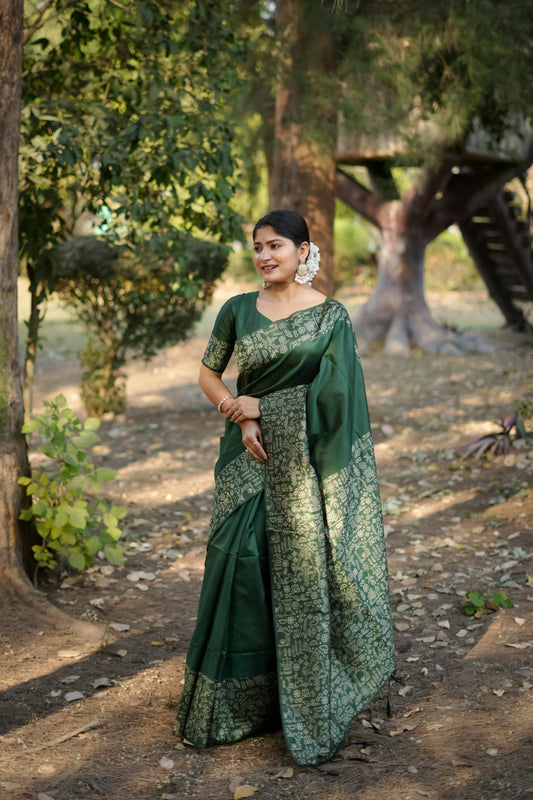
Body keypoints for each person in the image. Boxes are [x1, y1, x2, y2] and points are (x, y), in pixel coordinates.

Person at [173, 209, 395, 766]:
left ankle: (303, 701)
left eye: (276, 246)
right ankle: (235, 707)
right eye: (257, 248)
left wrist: (267, 406)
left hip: (305, 469)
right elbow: (208, 371)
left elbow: (338, 398)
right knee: (239, 569)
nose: (265, 256)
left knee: (301, 579)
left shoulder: (330, 318)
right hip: (245, 460)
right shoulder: (237, 310)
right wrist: (238, 413)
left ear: (303, 251)